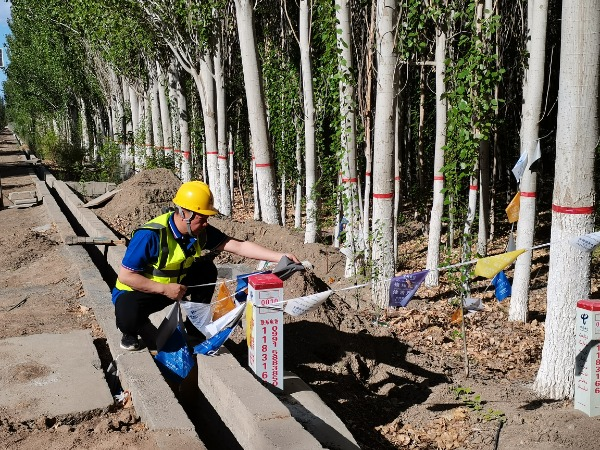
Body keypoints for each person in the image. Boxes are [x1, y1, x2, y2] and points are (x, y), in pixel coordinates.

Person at [112, 180, 300, 351]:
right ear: (184, 214)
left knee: (205, 269)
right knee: (128, 318)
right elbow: (126, 276)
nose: (205, 224)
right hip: (140, 292)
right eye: (202, 218)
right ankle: (129, 333)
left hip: (176, 287)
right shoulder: (150, 235)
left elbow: (238, 246)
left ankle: (195, 330)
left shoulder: (200, 231)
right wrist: (164, 289)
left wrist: (279, 256)